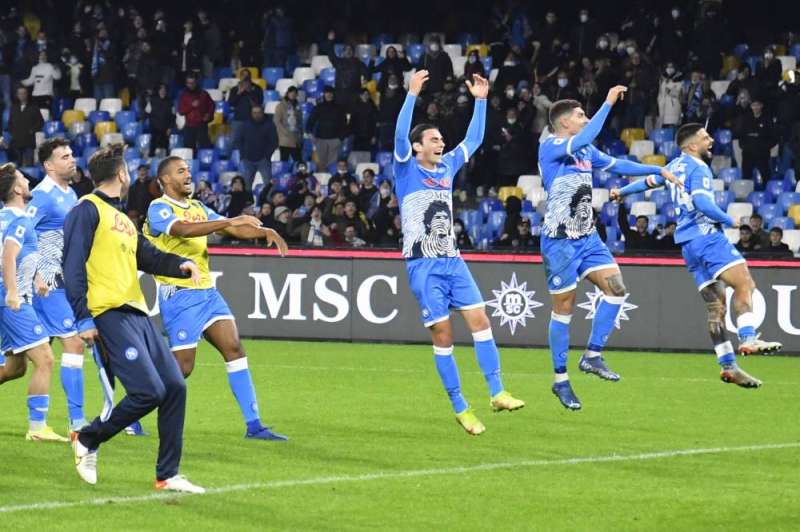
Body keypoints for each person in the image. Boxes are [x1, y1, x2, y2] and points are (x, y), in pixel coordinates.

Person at [63, 144, 204, 491]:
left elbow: (149, 256)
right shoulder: (87, 209)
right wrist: (83, 318)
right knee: (148, 392)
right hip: (108, 312)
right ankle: (88, 438)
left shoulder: (124, 219)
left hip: (137, 312)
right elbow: (73, 266)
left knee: (174, 387)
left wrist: (181, 265)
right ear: (122, 174)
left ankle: (167, 475)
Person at [394, 70, 524, 436]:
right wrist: (411, 95)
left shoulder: (448, 165)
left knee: (481, 320)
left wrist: (481, 101)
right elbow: (400, 134)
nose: (441, 143)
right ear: (417, 147)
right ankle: (460, 407)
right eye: (433, 139)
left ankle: (497, 392)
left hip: (452, 260)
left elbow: (475, 139)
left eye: (441, 139)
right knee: (443, 336)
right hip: (423, 265)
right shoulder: (406, 169)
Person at [538, 87, 681, 410]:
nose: (585, 119)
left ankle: (592, 355)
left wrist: (656, 169)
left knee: (616, 289)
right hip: (560, 241)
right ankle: (560, 380)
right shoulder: (551, 147)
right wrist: (607, 103)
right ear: (565, 123)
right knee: (564, 309)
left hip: (587, 237)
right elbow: (589, 134)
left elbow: (618, 165)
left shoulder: (585, 151)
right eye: (580, 115)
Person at [613, 123, 780, 389]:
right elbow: (703, 203)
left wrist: (620, 192)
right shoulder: (698, 167)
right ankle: (748, 338)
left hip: (688, 245)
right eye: (705, 137)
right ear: (692, 145)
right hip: (707, 237)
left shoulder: (674, 166)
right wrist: (731, 220)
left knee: (716, 308)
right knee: (745, 284)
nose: (711, 140)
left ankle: (728, 366)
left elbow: (648, 182)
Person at [143, 156, 289, 439]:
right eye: (180, 171)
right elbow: (183, 230)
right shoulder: (159, 208)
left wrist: (264, 231)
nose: (188, 175)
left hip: (207, 293)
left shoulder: (198, 207)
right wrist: (232, 220)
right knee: (182, 368)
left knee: (234, 348)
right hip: (179, 295)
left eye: (188, 170)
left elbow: (231, 228)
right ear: (165, 180)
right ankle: (133, 409)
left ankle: (254, 425)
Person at [26, 138, 91, 435]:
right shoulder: (41, 196)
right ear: (48, 165)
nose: (71, 159)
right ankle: (77, 422)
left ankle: (42, 424)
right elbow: (19, 233)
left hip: (62, 282)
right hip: (45, 284)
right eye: (64, 156)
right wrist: (35, 275)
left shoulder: (71, 193)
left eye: (71, 154)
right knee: (74, 342)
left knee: (16, 366)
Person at [0, 163, 68, 442]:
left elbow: (20, 254)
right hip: (13, 301)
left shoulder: (4, 217)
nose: (28, 182)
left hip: (9, 298)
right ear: (17, 189)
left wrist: (37, 277)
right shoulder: (20, 220)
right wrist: (13, 292)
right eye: (23, 179)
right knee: (46, 359)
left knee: (15, 368)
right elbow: (8, 255)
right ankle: (38, 428)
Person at [307, 87, 347, 171]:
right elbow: (310, 121)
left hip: (335, 140)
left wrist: (340, 138)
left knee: (332, 165)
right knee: (321, 164)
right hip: (320, 140)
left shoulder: (339, 108)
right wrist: (310, 133)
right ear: (324, 94)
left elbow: (344, 124)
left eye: (331, 93)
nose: (329, 95)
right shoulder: (318, 107)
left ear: (333, 94)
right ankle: (322, 179)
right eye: (327, 93)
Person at [735, 99, 776, 181]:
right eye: (754, 105)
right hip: (748, 153)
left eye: (758, 105)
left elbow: (773, 137)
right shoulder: (746, 119)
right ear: (751, 106)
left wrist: (765, 146)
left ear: (761, 106)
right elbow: (740, 134)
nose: (756, 107)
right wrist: (744, 146)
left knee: (765, 176)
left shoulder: (767, 119)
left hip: (762, 153)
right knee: (746, 176)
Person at [240, 105, 278, 192]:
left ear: (262, 113)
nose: (256, 115)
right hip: (248, 160)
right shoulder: (245, 124)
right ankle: (247, 201)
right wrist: (243, 154)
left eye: (259, 112)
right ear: (251, 113)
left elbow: (274, 142)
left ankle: (270, 200)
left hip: (263, 160)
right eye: (254, 113)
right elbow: (239, 140)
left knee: (269, 185)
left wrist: (267, 155)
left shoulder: (269, 125)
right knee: (247, 186)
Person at [6, 86, 43, 167]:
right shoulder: (13, 108)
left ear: (27, 94)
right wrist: (12, 133)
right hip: (16, 142)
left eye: (24, 93)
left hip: (29, 141)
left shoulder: (34, 107)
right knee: (17, 167)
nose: (22, 95)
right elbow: (10, 123)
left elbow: (40, 122)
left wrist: (32, 131)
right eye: (20, 93)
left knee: (29, 166)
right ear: (17, 95)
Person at [227, 70, 263, 151]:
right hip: (238, 119)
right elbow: (231, 103)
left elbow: (258, 104)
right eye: (243, 75)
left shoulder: (257, 88)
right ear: (240, 77)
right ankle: (229, 158)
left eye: (247, 75)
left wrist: (249, 92)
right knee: (232, 141)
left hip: (252, 120)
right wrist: (239, 93)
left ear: (250, 77)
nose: (245, 77)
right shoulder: (234, 89)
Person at [177, 74, 214, 151]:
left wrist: (209, 114)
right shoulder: (184, 96)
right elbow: (181, 111)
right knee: (189, 150)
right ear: (186, 83)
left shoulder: (204, 94)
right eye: (189, 83)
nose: (191, 85)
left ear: (196, 82)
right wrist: (191, 106)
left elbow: (212, 105)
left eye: (192, 83)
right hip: (189, 126)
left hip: (202, 125)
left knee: (205, 148)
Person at [273, 86, 302, 162]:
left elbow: (299, 121)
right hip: (285, 140)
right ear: (287, 94)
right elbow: (276, 121)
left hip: (296, 139)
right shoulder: (280, 106)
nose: (293, 95)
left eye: (294, 93)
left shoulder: (297, 106)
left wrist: (300, 134)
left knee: (298, 162)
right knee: (284, 162)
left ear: (296, 95)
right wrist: (285, 132)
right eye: (291, 93)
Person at [126, 164, 160, 229]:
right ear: (137, 172)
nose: (142, 172)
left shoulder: (153, 185)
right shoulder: (132, 187)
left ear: (147, 172)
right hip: (138, 217)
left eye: (144, 170)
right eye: (140, 171)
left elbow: (158, 198)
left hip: (151, 215)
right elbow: (130, 205)